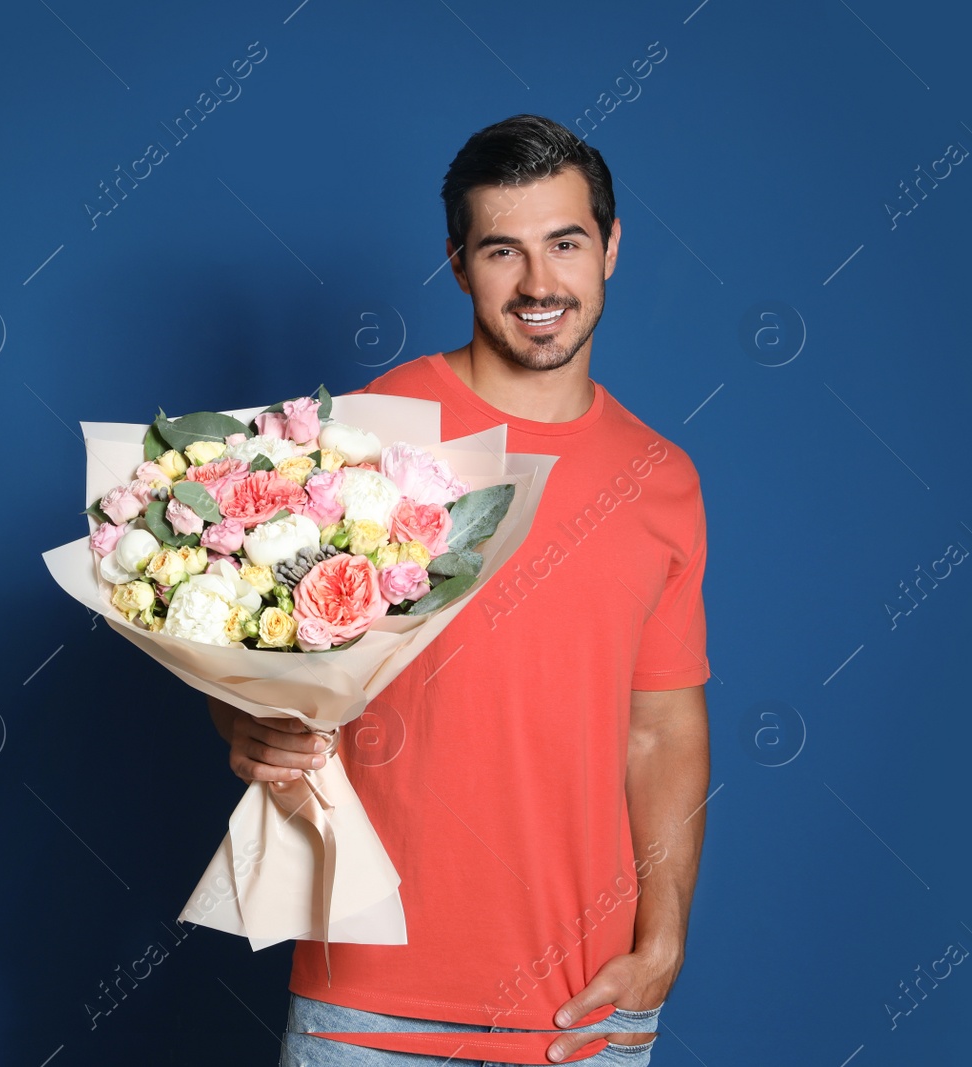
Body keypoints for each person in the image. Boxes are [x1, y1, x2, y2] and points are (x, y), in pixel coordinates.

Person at [207, 114, 711, 1066]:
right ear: (456, 263)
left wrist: (665, 939)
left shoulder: (662, 479)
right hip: (371, 1001)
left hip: (590, 1013)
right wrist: (244, 722)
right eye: (501, 251)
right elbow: (249, 660)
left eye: (565, 243)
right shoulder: (357, 441)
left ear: (609, 246)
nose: (538, 285)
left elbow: (663, 726)